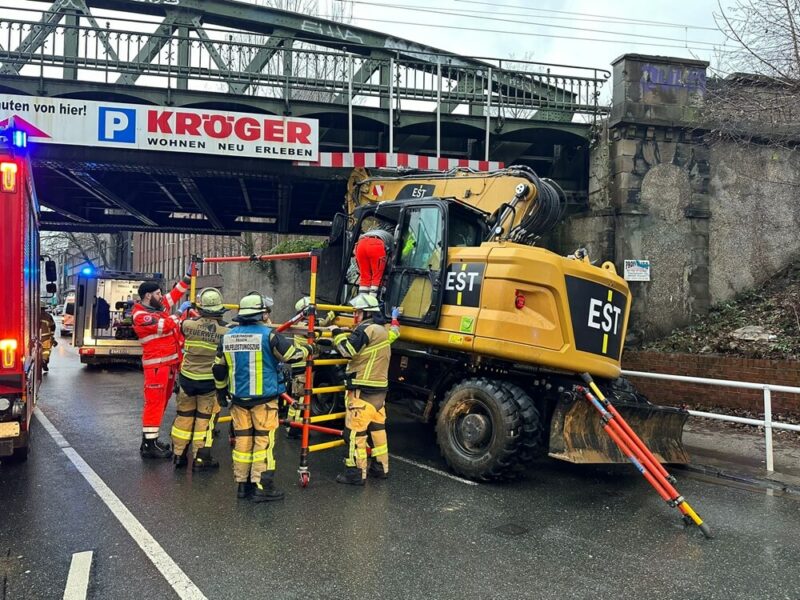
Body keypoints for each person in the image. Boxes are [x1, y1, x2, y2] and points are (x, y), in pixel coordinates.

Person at [213, 292, 313, 502]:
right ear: (261, 314)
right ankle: (263, 486)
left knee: (243, 443)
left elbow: (218, 370)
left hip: (238, 401)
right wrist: (309, 348)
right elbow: (292, 356)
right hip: (263, 402)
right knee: (263, 444)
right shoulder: (269, 335)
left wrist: (221, 393)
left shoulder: (228, 337)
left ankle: (243, 486)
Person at [332, 293, 400, 485]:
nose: (355, 316)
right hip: (380, 392)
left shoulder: (365, 329)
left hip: (363, 391)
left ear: (364, 313)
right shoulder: (384, 330)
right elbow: (396, 332)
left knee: (354, 433)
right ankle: (380, 467)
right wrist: (395, 319)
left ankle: (355, 473)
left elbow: (347, 351)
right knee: (377, 430)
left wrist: (336, 333)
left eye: (357, 312)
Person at [132, 271, 191, 459]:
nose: (162, 296)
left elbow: (174, 295)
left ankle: (152, 439)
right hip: (156, 366)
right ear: (148, 296)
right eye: (158, 294)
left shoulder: (155, 308)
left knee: (161, 403)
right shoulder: (142, 316)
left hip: (167, 364)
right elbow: (165, 325)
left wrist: (188, 276)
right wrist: (181, 313)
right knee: (154, 404)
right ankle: (149, 445)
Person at [171, 288, 229, 472]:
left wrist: (182, 310)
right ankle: (201, 459)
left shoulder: (188, 325)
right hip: (208, 383)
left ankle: (179, 455)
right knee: (204, 420)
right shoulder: (225, 332)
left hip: (187, 380)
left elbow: (178, 323)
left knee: (184, 418)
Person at [354, 224, 394, 297]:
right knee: (376, 277)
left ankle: (362, 302)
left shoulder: (376, 232)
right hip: (375, 244)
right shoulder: (392, 239)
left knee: (364, 277)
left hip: (360, 244)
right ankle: (371, 303)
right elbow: (391, 259)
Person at [40, 305, 57, 373]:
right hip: (46, 337)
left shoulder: (33, 315)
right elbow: (53, 326)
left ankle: (40, 361)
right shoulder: (48, 316)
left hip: (35, 337)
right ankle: (44, 361)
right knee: (46, 351)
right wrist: (52, 335)